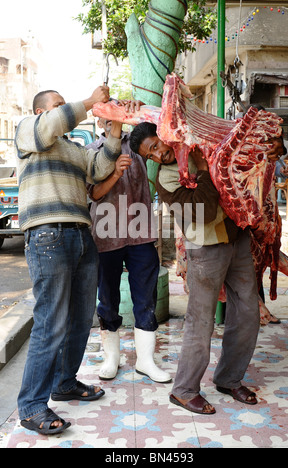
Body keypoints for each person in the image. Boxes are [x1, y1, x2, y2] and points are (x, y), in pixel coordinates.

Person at [129, 122, 284, 414]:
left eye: (154, 146)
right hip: (205, 248)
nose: (157, 155)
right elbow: (204, 211)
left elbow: (250, 151)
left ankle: (229, 378)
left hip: (236, 238)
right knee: (201, 321)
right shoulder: (166, 180)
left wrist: (276, 145)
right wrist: (202, 170)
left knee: (248, 311)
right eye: (150, 155)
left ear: (164, 136)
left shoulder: (202, 143)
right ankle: (184, 390)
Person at [15, 86, 123, 435]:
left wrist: (116, 128)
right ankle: (31, 406)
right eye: (58, 106)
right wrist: (90, 103)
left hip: (80, 236)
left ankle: (65, 382)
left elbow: (101, 166)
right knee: (51, 322)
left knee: (79, 319)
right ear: (40, 111)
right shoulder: (28, 132)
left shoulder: (75, 150)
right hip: (48, 236)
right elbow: (49, 126)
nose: (65, 112)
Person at [86, 107, 171, 384]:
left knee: (145, 299)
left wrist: (132, 109)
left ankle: (146, 361)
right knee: (108, 301)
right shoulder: (93, 151)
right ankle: (112, 357)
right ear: (101, 121)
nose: (116, 122)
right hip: (106, 236)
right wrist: (113, 174)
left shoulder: (140, 143)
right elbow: (95, 194)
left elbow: (157, 130)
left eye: (119, 116)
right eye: (110, 117)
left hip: (141, 236)